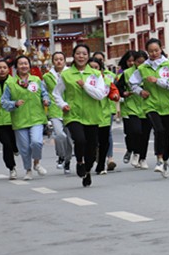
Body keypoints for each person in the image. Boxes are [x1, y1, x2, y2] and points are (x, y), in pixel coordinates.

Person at [130, 38, 169, 178]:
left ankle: (165, 160)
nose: (154, 53)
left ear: (161, 50)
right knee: (158, 130)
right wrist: (140, 91)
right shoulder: (143, 68)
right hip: (151, 104)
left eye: (156, 50)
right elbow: (132, 83)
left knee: (166, 134)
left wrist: (158, 81)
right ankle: (159, 159)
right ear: (147, 52)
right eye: (151, 51)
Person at [53, 44, 108, 187]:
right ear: (73, 55)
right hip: (73, 114)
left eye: (84, 53)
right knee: (80, 139)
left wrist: (85, 86)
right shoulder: (66, 75)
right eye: (78, 53)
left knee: (91, 147)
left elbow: (100, 94)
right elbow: (56, 93)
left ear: (88, 56)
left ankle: (87, 170)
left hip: (92, 115)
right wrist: (62, 104)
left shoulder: (96, 74)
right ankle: (79, 162)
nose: (81, 56)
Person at [1, 55, 50, 181]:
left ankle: (37, 163)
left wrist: (46, 100)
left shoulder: (36, 80)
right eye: (21, 64)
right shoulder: (10, 83)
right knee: (24, 148)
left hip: (36, 118)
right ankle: (28, 170)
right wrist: (14, 104)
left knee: (37, 142)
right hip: (20, 120)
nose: (23, 66)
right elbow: (4, 102)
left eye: (26, 63)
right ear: (16, 67)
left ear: (29, 66)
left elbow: (44, 94)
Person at [117, 50, 151, 170]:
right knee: (135, 131)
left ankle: (143, 158)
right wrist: (123, 93)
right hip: (131, 107)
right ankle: (135, 152)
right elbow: (118, 87)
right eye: (137, 62)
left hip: (148, 106)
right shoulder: (127, 73)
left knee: (145, 134)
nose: (140, 65)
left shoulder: (151, 71)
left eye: (143, 62)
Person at [42, 52, 73, 174]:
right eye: (56, 59)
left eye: (61, 59)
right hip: (55, 109)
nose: (59, 61)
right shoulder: (47, 76)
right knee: (60, 135)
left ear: (64, 60)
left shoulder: (71, 73)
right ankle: (61, 155)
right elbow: (44, 92)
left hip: (69, 108)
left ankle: (67, 162)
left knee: (69, 139)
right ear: (52, 61)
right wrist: (45, 100)